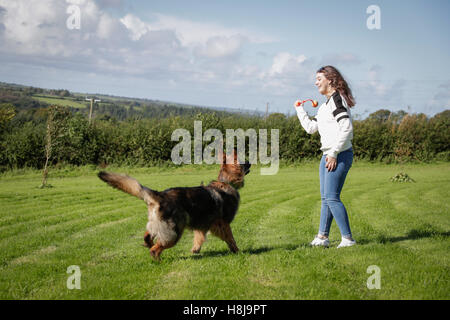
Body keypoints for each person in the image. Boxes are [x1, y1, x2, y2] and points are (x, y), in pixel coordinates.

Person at [295, 65, 356, 248]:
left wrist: (334, 153)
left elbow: (347, 128)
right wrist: (300, 110)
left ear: (330, 79)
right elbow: (311, 128)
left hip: (339, 154)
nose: (316, 82)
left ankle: (348, 239)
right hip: (328, 155)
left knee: (332, 197)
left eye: (319, 79)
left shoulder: (338, 100)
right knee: (326, 198)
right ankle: (322, 237)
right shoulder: (326, 105)